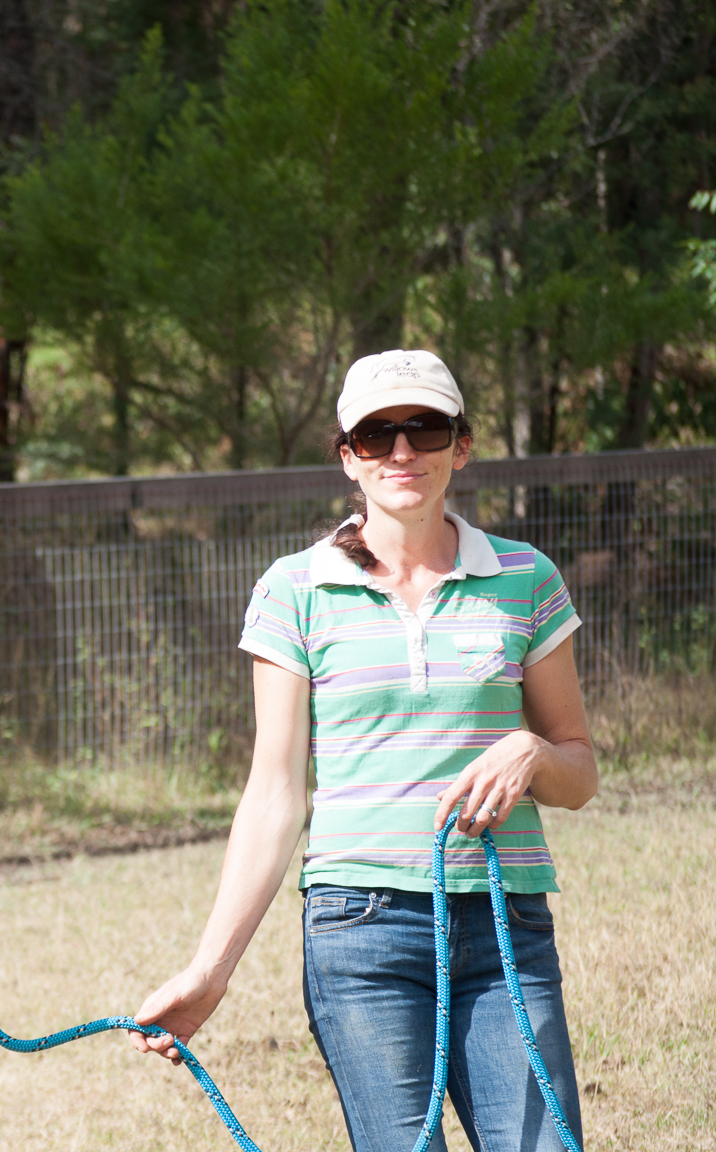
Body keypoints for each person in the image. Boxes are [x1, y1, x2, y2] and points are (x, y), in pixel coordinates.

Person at [130, 350, 597, 1151]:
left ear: (461, 445)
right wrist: (209, 971)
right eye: (377, 435)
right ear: (348, 457)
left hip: (503, 925)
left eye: (425, 428)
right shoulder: (293, 590)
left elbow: (578, 772)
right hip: (360, 931)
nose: (401, 451)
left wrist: (530, 752)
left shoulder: (525, 578)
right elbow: (274, 796)